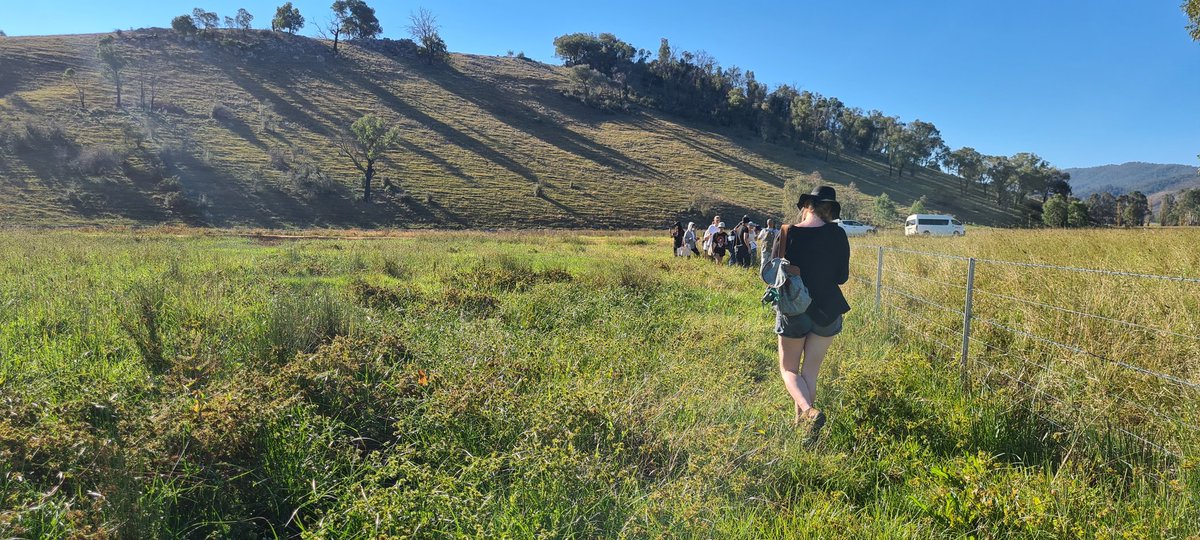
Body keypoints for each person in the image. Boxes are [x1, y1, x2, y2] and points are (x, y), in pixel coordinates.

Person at [771, 186, 850, 443]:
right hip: (827, 309)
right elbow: (842, 277)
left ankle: (807, 412)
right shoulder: (838, 234)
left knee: (789, 369)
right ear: (830, 211)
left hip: (794, 308)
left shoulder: (787, 232)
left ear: (807, 206)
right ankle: (805, 429)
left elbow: (773, 273)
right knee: (810, 373)